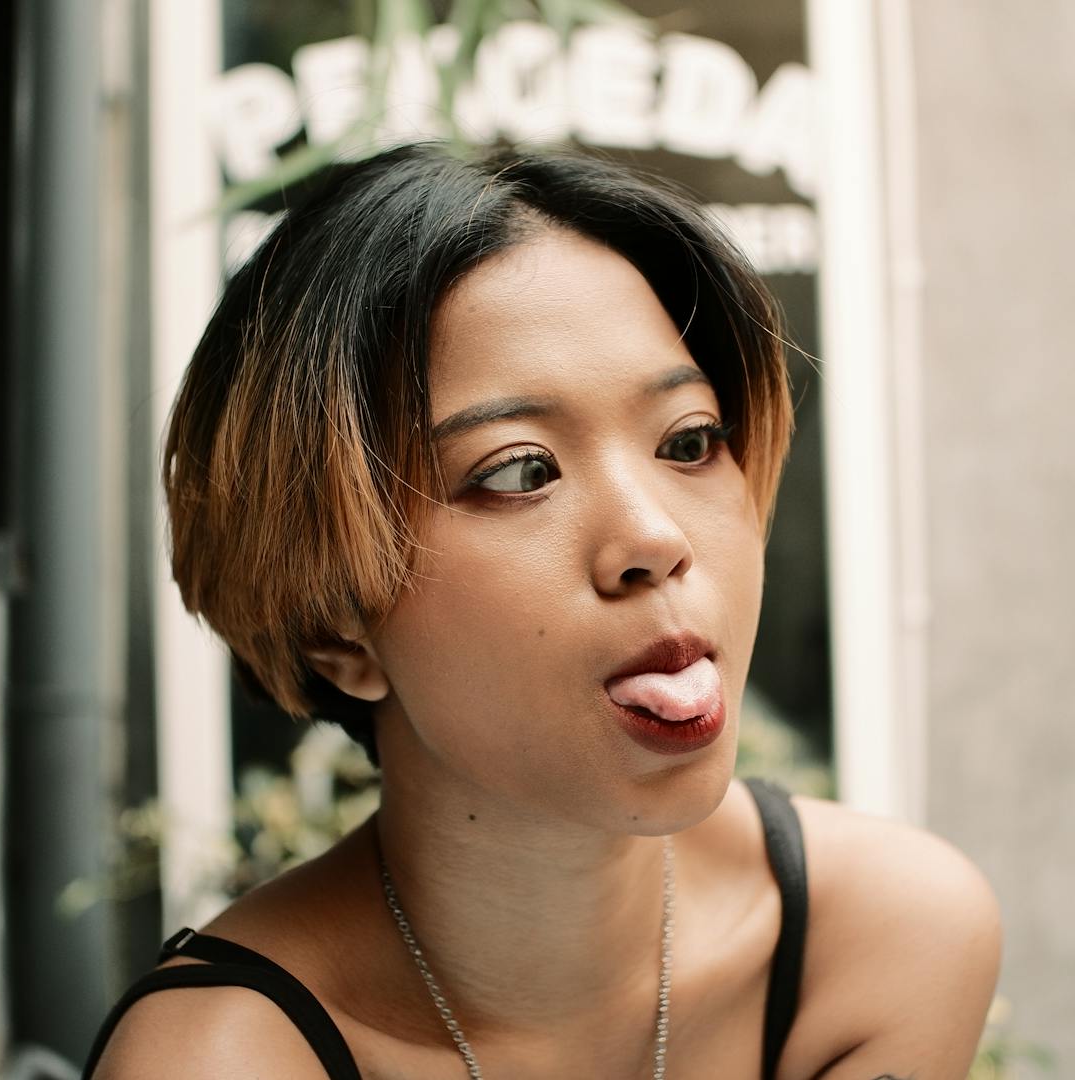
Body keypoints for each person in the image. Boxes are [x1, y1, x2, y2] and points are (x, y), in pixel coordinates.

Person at [86, 143, 1000, 1079]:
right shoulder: (223, 1058)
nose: (654, 536)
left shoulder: (881, 941)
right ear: (333, 626)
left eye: (689, 441)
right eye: (520, 471)